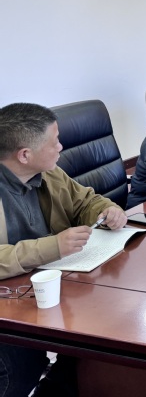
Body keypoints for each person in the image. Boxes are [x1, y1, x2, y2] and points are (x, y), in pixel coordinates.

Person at [0, 103, 127, 396]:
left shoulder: (48, 172)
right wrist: (53, 246)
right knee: (18, 368)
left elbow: (85, 201)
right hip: (9, 300)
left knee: (104, 330)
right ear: (24, 155)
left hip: (51, 284)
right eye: (54, 141)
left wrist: (106, 210)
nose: (61, 147)